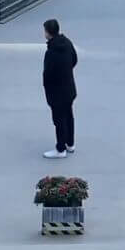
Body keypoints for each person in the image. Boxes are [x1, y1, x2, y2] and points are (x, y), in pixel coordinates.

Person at [41, 19, 79, 159]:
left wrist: (48, 88)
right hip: (69, 87)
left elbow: (48, 74)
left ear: (48, 32)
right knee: (69, 115)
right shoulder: (67, 43)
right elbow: (74, 59)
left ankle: (60, 148)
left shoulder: (51, 52)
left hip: (57, 92)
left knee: (59, 120)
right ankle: (70, 143)